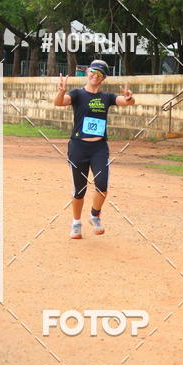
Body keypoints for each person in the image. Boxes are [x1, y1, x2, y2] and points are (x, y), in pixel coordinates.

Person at [54, 60, 135, 239]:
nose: (95, 76)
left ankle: (94, 215)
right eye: (93, 71)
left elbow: (126, 102)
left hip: (99, 148)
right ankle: (76, 223)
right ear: (87, 72)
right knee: (79, 190)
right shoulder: (77, 94)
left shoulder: (107, 97)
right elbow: (59, 103)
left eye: (100, 74)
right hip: (78, 147)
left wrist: (129, 98)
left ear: (103, 78)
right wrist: (61, 91)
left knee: (102, 185)